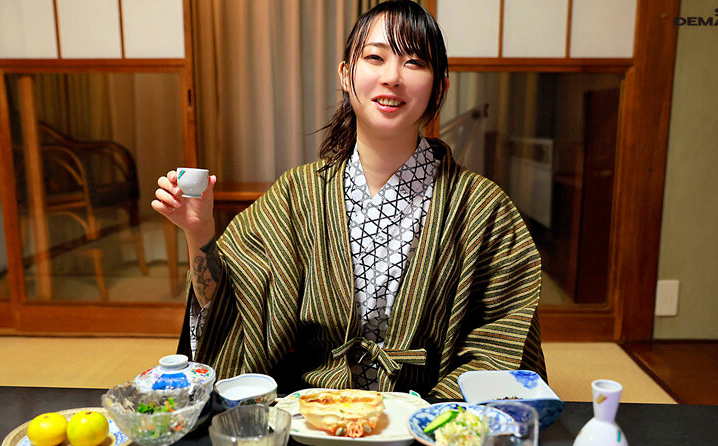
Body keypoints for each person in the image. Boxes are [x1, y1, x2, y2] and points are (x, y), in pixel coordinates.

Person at [152, 0, 545, 399]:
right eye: (375, 57)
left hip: (427, 419)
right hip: (314, 414)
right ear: (345, 74)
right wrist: (199, 232)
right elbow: (233, 311)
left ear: (440, 86)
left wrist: (430, 416)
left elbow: (501, 340)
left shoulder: (482, 208)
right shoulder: (298, 194)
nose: (392, 77)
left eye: (414, 62)